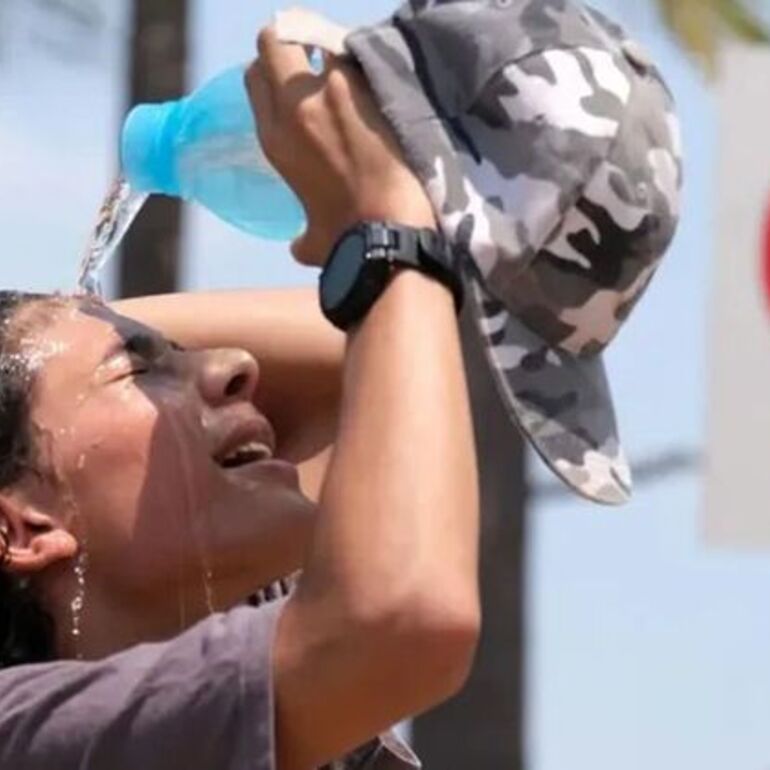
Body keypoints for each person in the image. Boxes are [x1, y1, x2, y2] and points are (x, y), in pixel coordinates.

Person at [0, 28, 480, 770]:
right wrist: (387, 226)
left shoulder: (236, 639)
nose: (238, 368)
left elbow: (369, 353)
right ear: (23, 528)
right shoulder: (28, 735)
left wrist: (77, 324)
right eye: (139, 371)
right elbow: (402, 618)